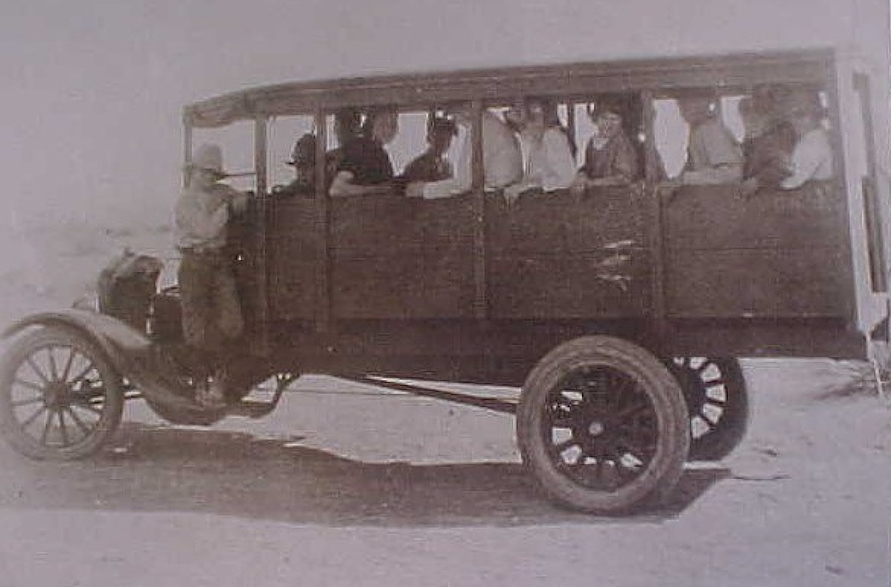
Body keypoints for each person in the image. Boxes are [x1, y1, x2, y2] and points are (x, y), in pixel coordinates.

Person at [174, 143, 249, 408]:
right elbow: (205, 230)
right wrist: (228, 209)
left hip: (218, 264)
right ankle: (201, 384)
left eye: (212, 174)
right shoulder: (185, 201)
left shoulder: (222, 192)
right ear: (194, 172)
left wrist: (239, 201)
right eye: (204, 172)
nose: (208, 178)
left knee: (232, 323)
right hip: (194, 264)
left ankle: (219, 379)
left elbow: (243, 199)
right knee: (197, 330)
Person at [406, 104, 522, 199]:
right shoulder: (485, 124)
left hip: (497, 201)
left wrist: (423, 190)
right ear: (430, 137)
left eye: (453, 111)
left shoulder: (482, 127)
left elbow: (465, 182)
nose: (453, 117)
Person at [503, 98, 576, 204]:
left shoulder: (552, 137)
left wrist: (528, 186)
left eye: (522, 127)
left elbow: (567, 179)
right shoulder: (537, 143)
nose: (522, 133)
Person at [572, 97, 639, 192]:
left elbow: (624, 178)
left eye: (614, 119)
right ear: (596, 119)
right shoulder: (592, 141)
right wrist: (582, 174)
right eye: (604, 118)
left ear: (622, 121)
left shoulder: (621, 142)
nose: (608, 124)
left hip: (619, 196)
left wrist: (593, 183)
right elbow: (589, 167)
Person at [329, 106, 399, 197]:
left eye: (393, 125)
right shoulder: (360, 149)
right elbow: (337, 189)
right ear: (371, 123)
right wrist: (377, 190)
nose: (388, 130)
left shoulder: (380, 154)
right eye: (383, 124)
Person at [739, 86, 798, 195]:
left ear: (773, 101)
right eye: (755, 98)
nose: (755, 103)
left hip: (774, 194)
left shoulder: (782, 130)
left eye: (760, 98)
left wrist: (757, 181)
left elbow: (784, 166)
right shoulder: (757, 130)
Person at [677, 94, 743, 185]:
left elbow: (732, 174)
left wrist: (686, 179)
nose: (683, 107)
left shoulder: (710, 130)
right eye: (681, 102)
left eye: (689, 101)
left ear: (705, 103)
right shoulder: (698, 132)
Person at [778, 91, 833, 190]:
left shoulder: (812, 143)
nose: (793, 121)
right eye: (789, 115)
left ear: (817, 115)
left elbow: (794, 183)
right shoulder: (813, 139)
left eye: (800, 114)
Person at [401, 116, 458, 182]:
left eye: (449, 135)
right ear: (429, 136)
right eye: (439, 134)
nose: (444, 140)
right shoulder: (416, 167)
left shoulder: (448, 168)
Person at [325, 107, 363, 183]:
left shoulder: (370, 155)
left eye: (345, 122)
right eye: (337, 123)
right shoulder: (329, 158)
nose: (336, 128)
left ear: (356, 127)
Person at [274, 133, 316, 197]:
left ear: (318, 167)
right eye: (298, 167)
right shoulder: (296, 187)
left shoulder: (330, 188)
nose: (301, 173)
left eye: (306, 167)